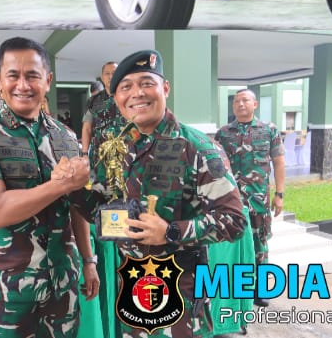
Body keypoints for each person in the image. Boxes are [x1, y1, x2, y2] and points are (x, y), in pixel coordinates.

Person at [74, 49, 245, 337]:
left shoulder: (197, 147)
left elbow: (234, 220)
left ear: (165, 88)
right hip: (133, 286)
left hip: (182, 291)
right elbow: (99, 209)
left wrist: (171, 231)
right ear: (116, 99)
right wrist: (73, 188)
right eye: (126, 87)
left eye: (146, 83)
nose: (137, 94)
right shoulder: (120, 146)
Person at [0, 37, 95, 338]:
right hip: (5, 287)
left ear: (47, 80)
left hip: (62, 283)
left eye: (32, 75)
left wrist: (88, 260)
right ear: (0, 79)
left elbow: (77, 206)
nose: (23, 85)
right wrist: (59, 185)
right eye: (13, 75)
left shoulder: (66, 137)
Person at [214, 89, 284, 306]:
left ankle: (260, 290)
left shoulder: (269, 130)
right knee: (232, 243)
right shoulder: (223, 133)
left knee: (260, 244)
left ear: (255, 104)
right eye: (236, 101)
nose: (240, 104)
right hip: (230, 200)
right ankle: (236, 288)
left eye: (245, 100)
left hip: (258, 199)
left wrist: (279, 194)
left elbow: (279, 162)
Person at [81, 61, 117, 153]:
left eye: (114, 73)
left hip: (125, 153)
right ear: (102, 77)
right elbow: (87, 128)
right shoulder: (93, 101)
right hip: (100, 153)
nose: (111, 77)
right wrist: (85, 153)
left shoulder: (129, 97)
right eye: (107, 74)